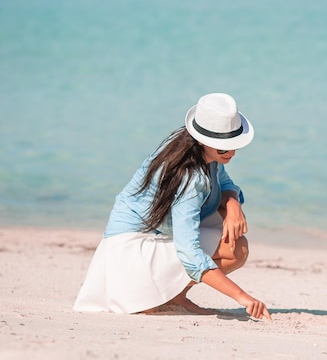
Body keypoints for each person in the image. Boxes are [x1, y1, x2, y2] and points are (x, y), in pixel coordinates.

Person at [73, 93, 271, 320]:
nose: (232, 153)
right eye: (224, 148)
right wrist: (243, 297)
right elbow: (190, 253)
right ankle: (157, 294)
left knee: (237, 247)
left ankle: (176, 295)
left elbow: (225, 183)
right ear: (202, 140)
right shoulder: (189, 177)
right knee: (234, 249)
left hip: (159, 237)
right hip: (131, 248)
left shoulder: (195, 150)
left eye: (234, 145)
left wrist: (233, 205)